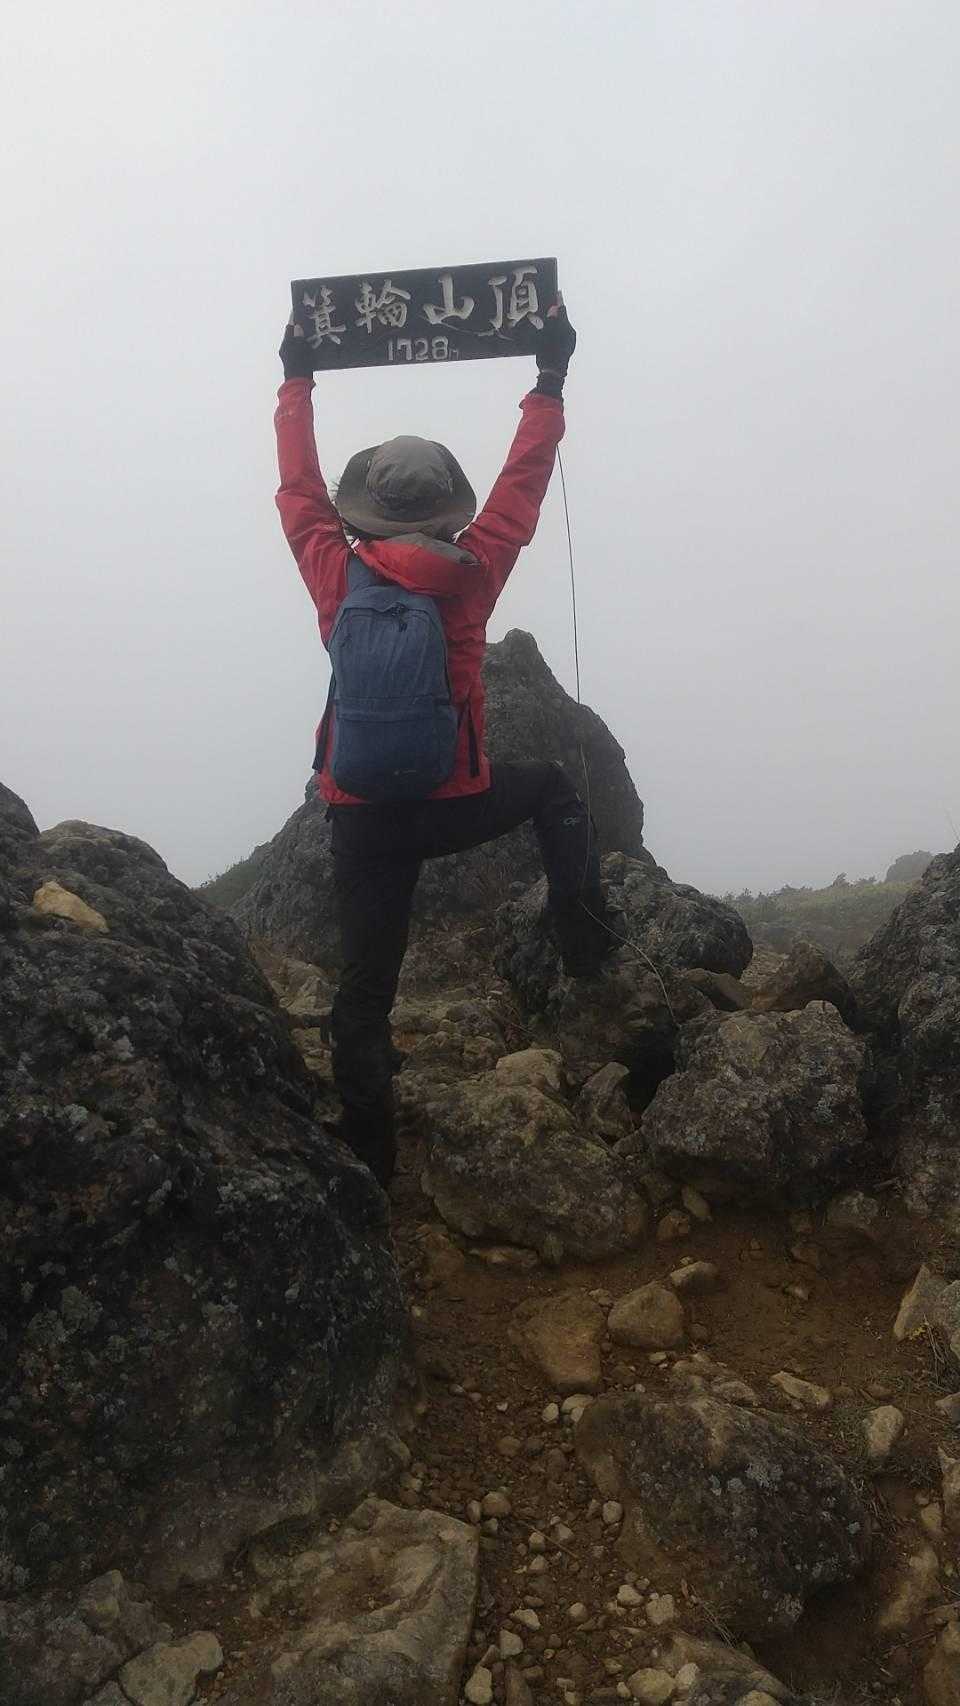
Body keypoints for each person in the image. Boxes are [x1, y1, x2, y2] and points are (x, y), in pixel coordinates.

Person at [274, 302, 611, 1187]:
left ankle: (372, 1159)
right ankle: (582, 939)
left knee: (365, 986)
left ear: (368, 508)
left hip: (360, 818)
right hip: (451, 803)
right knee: (553, 789)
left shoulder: (334, 570)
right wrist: (549, 379)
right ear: (445, 510)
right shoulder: (474, 571)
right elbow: (521, 488)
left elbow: (297, 491)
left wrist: (295, 379)